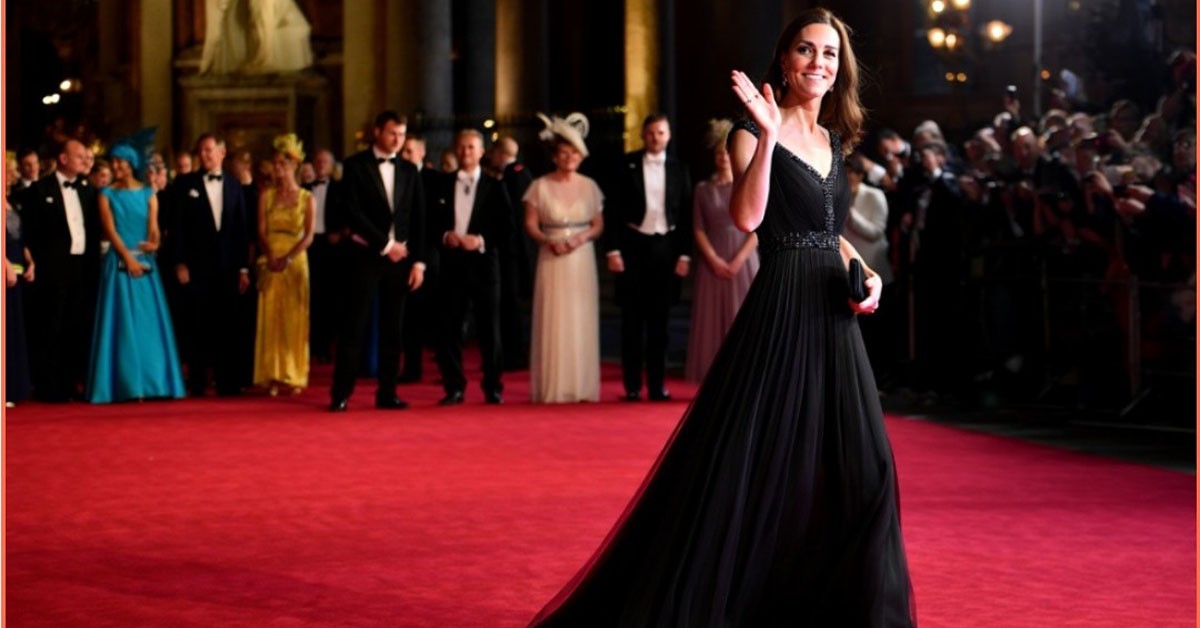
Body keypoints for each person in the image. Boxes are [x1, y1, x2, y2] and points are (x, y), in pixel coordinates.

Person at [530, 9, 915, 626]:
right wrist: (765, 136)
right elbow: (748, 218)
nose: (819, 63)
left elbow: (831, 233)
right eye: (806, 51)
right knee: (759, 466)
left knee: (864, 468)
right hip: (784, 304)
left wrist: (864, 273)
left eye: (830, 55)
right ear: (784, 61)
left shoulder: (834, 142)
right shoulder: (749, 131)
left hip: (834, 315)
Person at [329, 110, 427, 412]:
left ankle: (388, 393)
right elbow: (352, 212)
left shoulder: (410, 170)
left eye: (401, 134)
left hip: (401, 261)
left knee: (393, 329)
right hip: (364, 257)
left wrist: (419, 262)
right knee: (353, 326)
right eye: (391, 133)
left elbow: (419, 217)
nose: (397, 139)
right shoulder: (355, 165)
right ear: (377, 132)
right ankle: (341, 394)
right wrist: (386, 245)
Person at [86, 134, 187, 403]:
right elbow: (109, 230)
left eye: (121, 162)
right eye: (114, 162)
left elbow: (154, 230)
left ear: (131, 164)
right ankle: (124, 385)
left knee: (147, 324)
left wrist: (155, 244)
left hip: (145, 266)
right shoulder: (105, 194)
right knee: (119, 325)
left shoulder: (148, 193)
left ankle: (154, 384)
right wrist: (128, 259)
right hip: (119, 264)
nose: (116, 167)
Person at [605, 113, 692, 402]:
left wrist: (684, 254)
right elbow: (613, 210)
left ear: (668, 136)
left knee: (661, 322)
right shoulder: (624, 165)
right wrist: (613, 250)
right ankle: (631, 386)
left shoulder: (680, 169)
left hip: (666, 249)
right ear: (643, 135)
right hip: (632, 248)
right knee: (631, 321)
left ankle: (657, 386)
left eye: (661, 133)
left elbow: (687, 215)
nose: (656, 137)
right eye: (651, 132)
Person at [524, 113, 605, 403]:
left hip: (580, 258)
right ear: (555, 155)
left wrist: (580, 239)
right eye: (564, 152)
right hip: (551, 257)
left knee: (580, 318)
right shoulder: (539, 186)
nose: (569, 157)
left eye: (574, 152)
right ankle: (554, 386)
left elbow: (598, 225)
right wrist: (549, 240)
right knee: (554, 318)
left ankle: (581, 386)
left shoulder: (590, 186)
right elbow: (531, 224)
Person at [430, 129, 511, 405]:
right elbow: (431, 222)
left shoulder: (495, 185)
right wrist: (445, 236)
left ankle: (493, 386)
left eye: (471, 147)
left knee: (490, 328)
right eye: (462, 147)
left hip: (484, 265)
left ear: (481, 152)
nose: (466, 152)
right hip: (452, 264)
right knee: (449, 327)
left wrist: (480, 240)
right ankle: (454, 386)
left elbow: (507, 228)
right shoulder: (441, 184)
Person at [169, 133, 253, 396]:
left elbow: (241, 229)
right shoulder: (184, 184)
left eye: (209, 150)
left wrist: (243, 268)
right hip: (197, 266)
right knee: (197, 323)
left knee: (227, 323)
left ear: (222, 152)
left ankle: (227, 381)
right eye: (201, 151)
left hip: (228, 267)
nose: (204, 155)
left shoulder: (234, 185)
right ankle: (196, 381)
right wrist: (180, 262)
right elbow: (177, 227)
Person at [22, 139, 102, 402]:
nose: (84, 160)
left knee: (77, 325)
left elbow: (93, 230)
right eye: (79, 156)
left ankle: (72, 382)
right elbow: (31, 233)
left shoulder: (88, 190)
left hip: (82, 269)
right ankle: (49, 386)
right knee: (51, 326)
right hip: (52, 270)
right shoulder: (38, 190)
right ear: (64, 159)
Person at [684, 118, 760, 382]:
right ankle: (714, 374)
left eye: (727, 152)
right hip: (712, 259)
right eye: (719, 153)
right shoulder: (703, 188)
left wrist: (739, 259)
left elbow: (757, 229)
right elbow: (698, 229)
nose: (724, 158)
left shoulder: (749, 184)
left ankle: (744, 372)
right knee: (711, 318)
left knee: (744, 314)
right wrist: (714, 259)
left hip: (745, 258)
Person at [253, 133, 315, 395]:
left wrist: (288, 258)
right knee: (270, 318)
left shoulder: (306, 198)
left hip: (296, 260)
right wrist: (271, 256)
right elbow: (261, 230)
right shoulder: (266, 196)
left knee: (294, 317)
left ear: (293, 165)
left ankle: (293, 374)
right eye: (275, 164)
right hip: (271, 259)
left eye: (282, 164)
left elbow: (309, 235)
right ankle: (271, 374)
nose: (277, 169)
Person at [5, 198, 35, 407]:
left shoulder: (10, 202)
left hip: (16, 265)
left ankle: (14, 387)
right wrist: (5, 265)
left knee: (13, 329)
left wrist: (31, 262)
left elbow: (19, 238)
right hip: (6, 267)